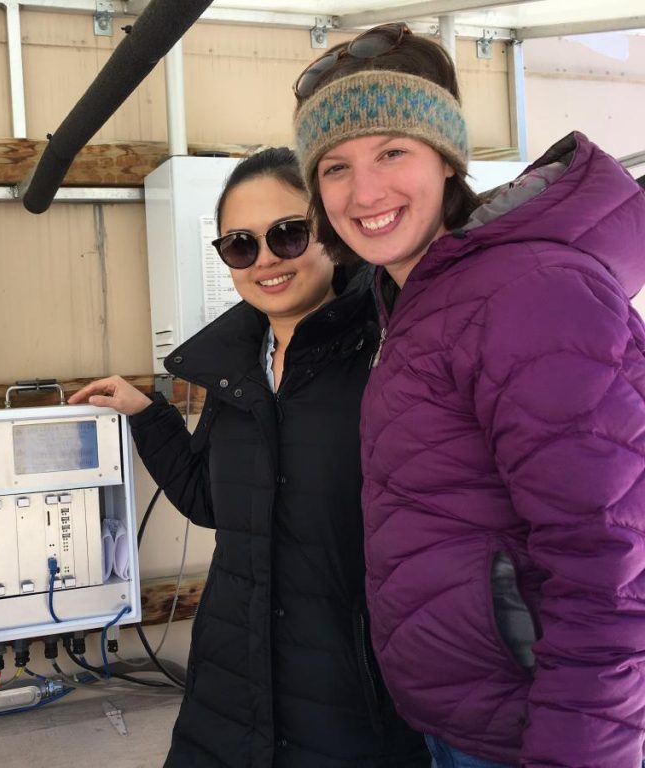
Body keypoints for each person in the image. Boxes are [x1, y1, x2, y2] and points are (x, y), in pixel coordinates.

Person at [291, 22, 645, 768]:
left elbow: (611, 555)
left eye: (393, 152)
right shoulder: (415, 298)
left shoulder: (527, 292)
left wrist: (577, 750)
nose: (366, 192)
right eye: (334, 166)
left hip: (536, 730)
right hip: (468, 714)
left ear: (447, 160)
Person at [70, 147, 427, 767]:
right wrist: (148, 415)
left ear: (331, 234)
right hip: (229, 689)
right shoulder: (239, 371)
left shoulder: (392, 354)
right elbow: (212, 502)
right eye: (240, 245)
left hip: (352, 701)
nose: (264, 259)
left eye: (287, 235)